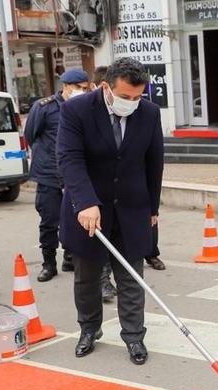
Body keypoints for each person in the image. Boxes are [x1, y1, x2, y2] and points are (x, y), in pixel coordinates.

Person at [58, 57, 164, 365]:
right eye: (125, 96)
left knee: (131, 276)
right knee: (88, 277)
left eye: (137, 97)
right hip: (88, 209)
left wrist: (152, 207)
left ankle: (134, 336)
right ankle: (89, 330)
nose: (131, 102)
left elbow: (153, 162)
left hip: (132, 207)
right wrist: (86, 202)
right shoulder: (76, 110)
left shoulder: (149, 113)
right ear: (106, 87)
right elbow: (70, 159)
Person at [25, 68, 90, 282]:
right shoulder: (45, 107)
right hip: (49, 175)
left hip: (74, 176)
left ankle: (70, 258)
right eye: (78, 88)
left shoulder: (84, 107)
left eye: (85, 88)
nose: (82, 91)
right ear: (65, 86)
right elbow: (30, 135)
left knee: (75, 221)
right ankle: (48, 263)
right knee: (50, 221)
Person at [91, 65, 120, 302]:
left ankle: (105, 279)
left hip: (118, 196)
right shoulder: (78, 111)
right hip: (87, 193)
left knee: (112, 240)